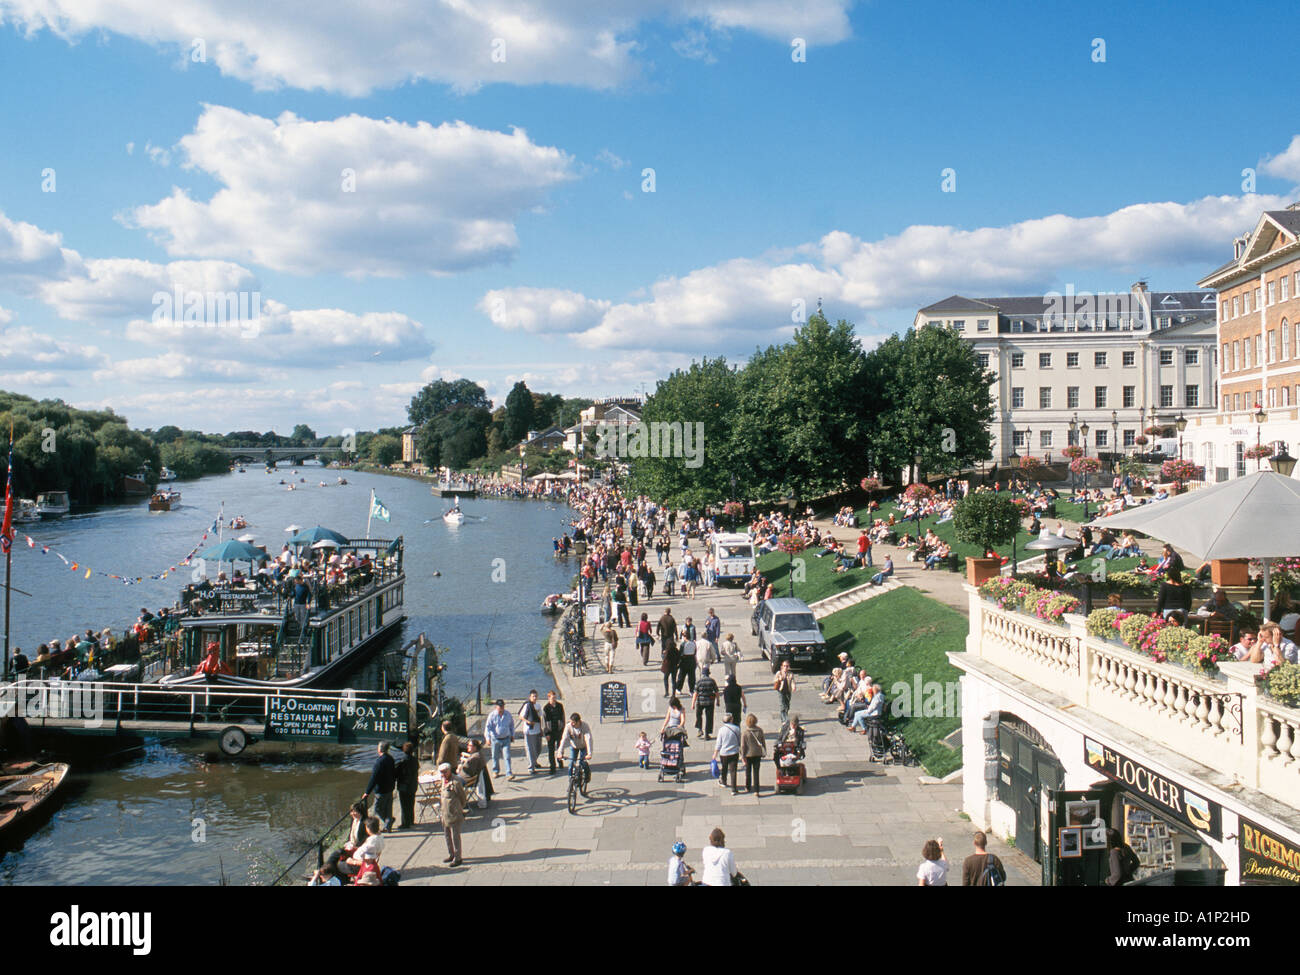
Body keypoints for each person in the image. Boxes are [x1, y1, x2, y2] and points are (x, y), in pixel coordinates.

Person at [435, 762, 467, 867]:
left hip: (454, 813)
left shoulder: (456, 782)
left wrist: (459, 808)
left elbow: (462, 797)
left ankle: (458, 857)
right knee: (447, 835)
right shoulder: (443, 780)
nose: (443, 774)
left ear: (449, 771)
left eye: (445, 772)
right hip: (445, 813)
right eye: (441, 772)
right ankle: (451, 854)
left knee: (455, 836)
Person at [362, 741, 398, 832]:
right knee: (388, 808)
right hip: (390, 787)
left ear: (379, 749)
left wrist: (367, 792)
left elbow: (374, 778)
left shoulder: (379, 762)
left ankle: (388, 821)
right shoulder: (390, 759)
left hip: (381, 790)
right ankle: (388, 825)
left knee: (377, 808)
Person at [484, 699, 515, 778]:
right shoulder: (492, 715)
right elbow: (488, 727)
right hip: (495, 739)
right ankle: (495, 771)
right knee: (495, 756)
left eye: (502, 706)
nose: (501, 708)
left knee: (507, 756)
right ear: (496, 707)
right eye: (500, 706)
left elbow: (511, 725)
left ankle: (509, 772)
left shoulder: (508, 714)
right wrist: (487, 738)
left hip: (506, 738)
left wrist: (512, 735)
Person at [713, 713, 741, 795]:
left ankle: (723, 781)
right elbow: (739, 741)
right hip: (734, 752)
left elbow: (719, 743)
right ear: (731, 720)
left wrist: (715, 753)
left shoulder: (721, 730)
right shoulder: (737, 729)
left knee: (724, 768)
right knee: (733, 770)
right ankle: (734, 789)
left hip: (724, 753)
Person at [518, 689, 545, 774]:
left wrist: (541, 728)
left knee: (538, 748)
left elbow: (540, 717)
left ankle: (534, 761)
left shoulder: (538, 706)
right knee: (530, 749)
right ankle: (531, 767)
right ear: (530, 697)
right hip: (529, 730)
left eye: (536, 696)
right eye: (533, 696)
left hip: (537, 730)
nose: (535, 697)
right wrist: (528, 721)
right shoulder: (527, 705)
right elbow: (520, 716)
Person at [395, 741, 420, 829]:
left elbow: (397, 773)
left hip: (404, 786)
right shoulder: (414, 760)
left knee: (404, 805)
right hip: (413, 784)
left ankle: (405, 823)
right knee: (411, 803)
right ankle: (411, 820)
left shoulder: (402, 761)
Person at [740, 714, 766, 795]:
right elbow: (762, 742)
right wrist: (764, 752)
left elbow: (743, 746)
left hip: (748, 754)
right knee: (756, 772)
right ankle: (756, 790)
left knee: (748, 772)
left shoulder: (745, 733)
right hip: (757, 754)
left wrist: (742, 756)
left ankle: (748, 787)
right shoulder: (760, 730)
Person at [692, 666, 719, 739]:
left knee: (699, 715)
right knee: (709, 717)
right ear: (708, 673)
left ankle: (700, 729)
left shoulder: (699, 681)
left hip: (700, 701)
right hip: (710, 701)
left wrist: (693, 704)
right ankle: (707, 733)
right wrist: (718, 701)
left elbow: (695, 693)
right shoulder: (712, 681)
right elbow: (716, 691)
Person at [543, 690, 566, 774]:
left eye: (555, 698)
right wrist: (546, 733)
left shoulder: (560, 706)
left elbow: (563, 717)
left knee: (560, 748)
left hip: (559, 730)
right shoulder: (546, 708)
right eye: (553, 698)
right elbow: (544, 722)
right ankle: (552, 767)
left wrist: (563, 729)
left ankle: (560, 761)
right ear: (549, 697)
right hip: (550, 731)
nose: (554, 699)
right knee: (551, 750)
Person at [773, 660, 796, 726]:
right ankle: (784, 720)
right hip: (781, 691)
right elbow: (774, 680)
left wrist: (794, 687)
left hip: (788, 691)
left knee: (787, 705)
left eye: (787, 666)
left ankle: (785, 715)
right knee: (782, 705)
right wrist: (779, 679)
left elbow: (792, 681)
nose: (786, 667)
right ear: (782, 667)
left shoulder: (790, 674)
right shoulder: (779, 673)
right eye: (784, 666)